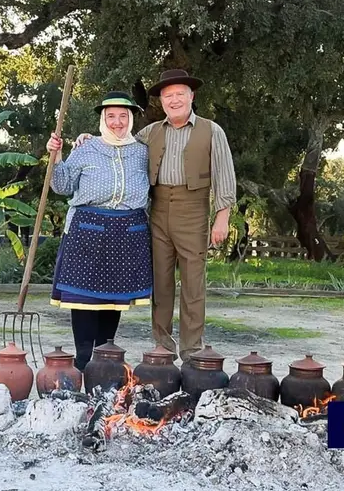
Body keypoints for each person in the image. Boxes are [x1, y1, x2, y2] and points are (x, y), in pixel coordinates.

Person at [64, 69, 237, 363]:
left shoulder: (211, 130)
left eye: (179, 94)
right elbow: (118, 142)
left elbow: (225, 174)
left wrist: (222, 217)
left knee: (194, 283)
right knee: (161, 282)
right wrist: (88, 138)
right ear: (162, 101)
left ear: (191, 97)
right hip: (156, 212)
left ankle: (192, 349)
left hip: (193, 210)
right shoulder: (150, 133)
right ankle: (163, 345)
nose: (174, 100)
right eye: (168, 96)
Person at [45, 91, 153, 372]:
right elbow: (63, 186)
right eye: (111, 116)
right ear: (103, 119)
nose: (117, 122)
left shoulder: (143, 152)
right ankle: (83, 362)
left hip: (127, 232)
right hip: (87, 233)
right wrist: (55, 157)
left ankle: (105, 359)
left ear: (130, 119)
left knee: (113, 301)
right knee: (83, 299)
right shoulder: (86, 148)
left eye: (123, 116)